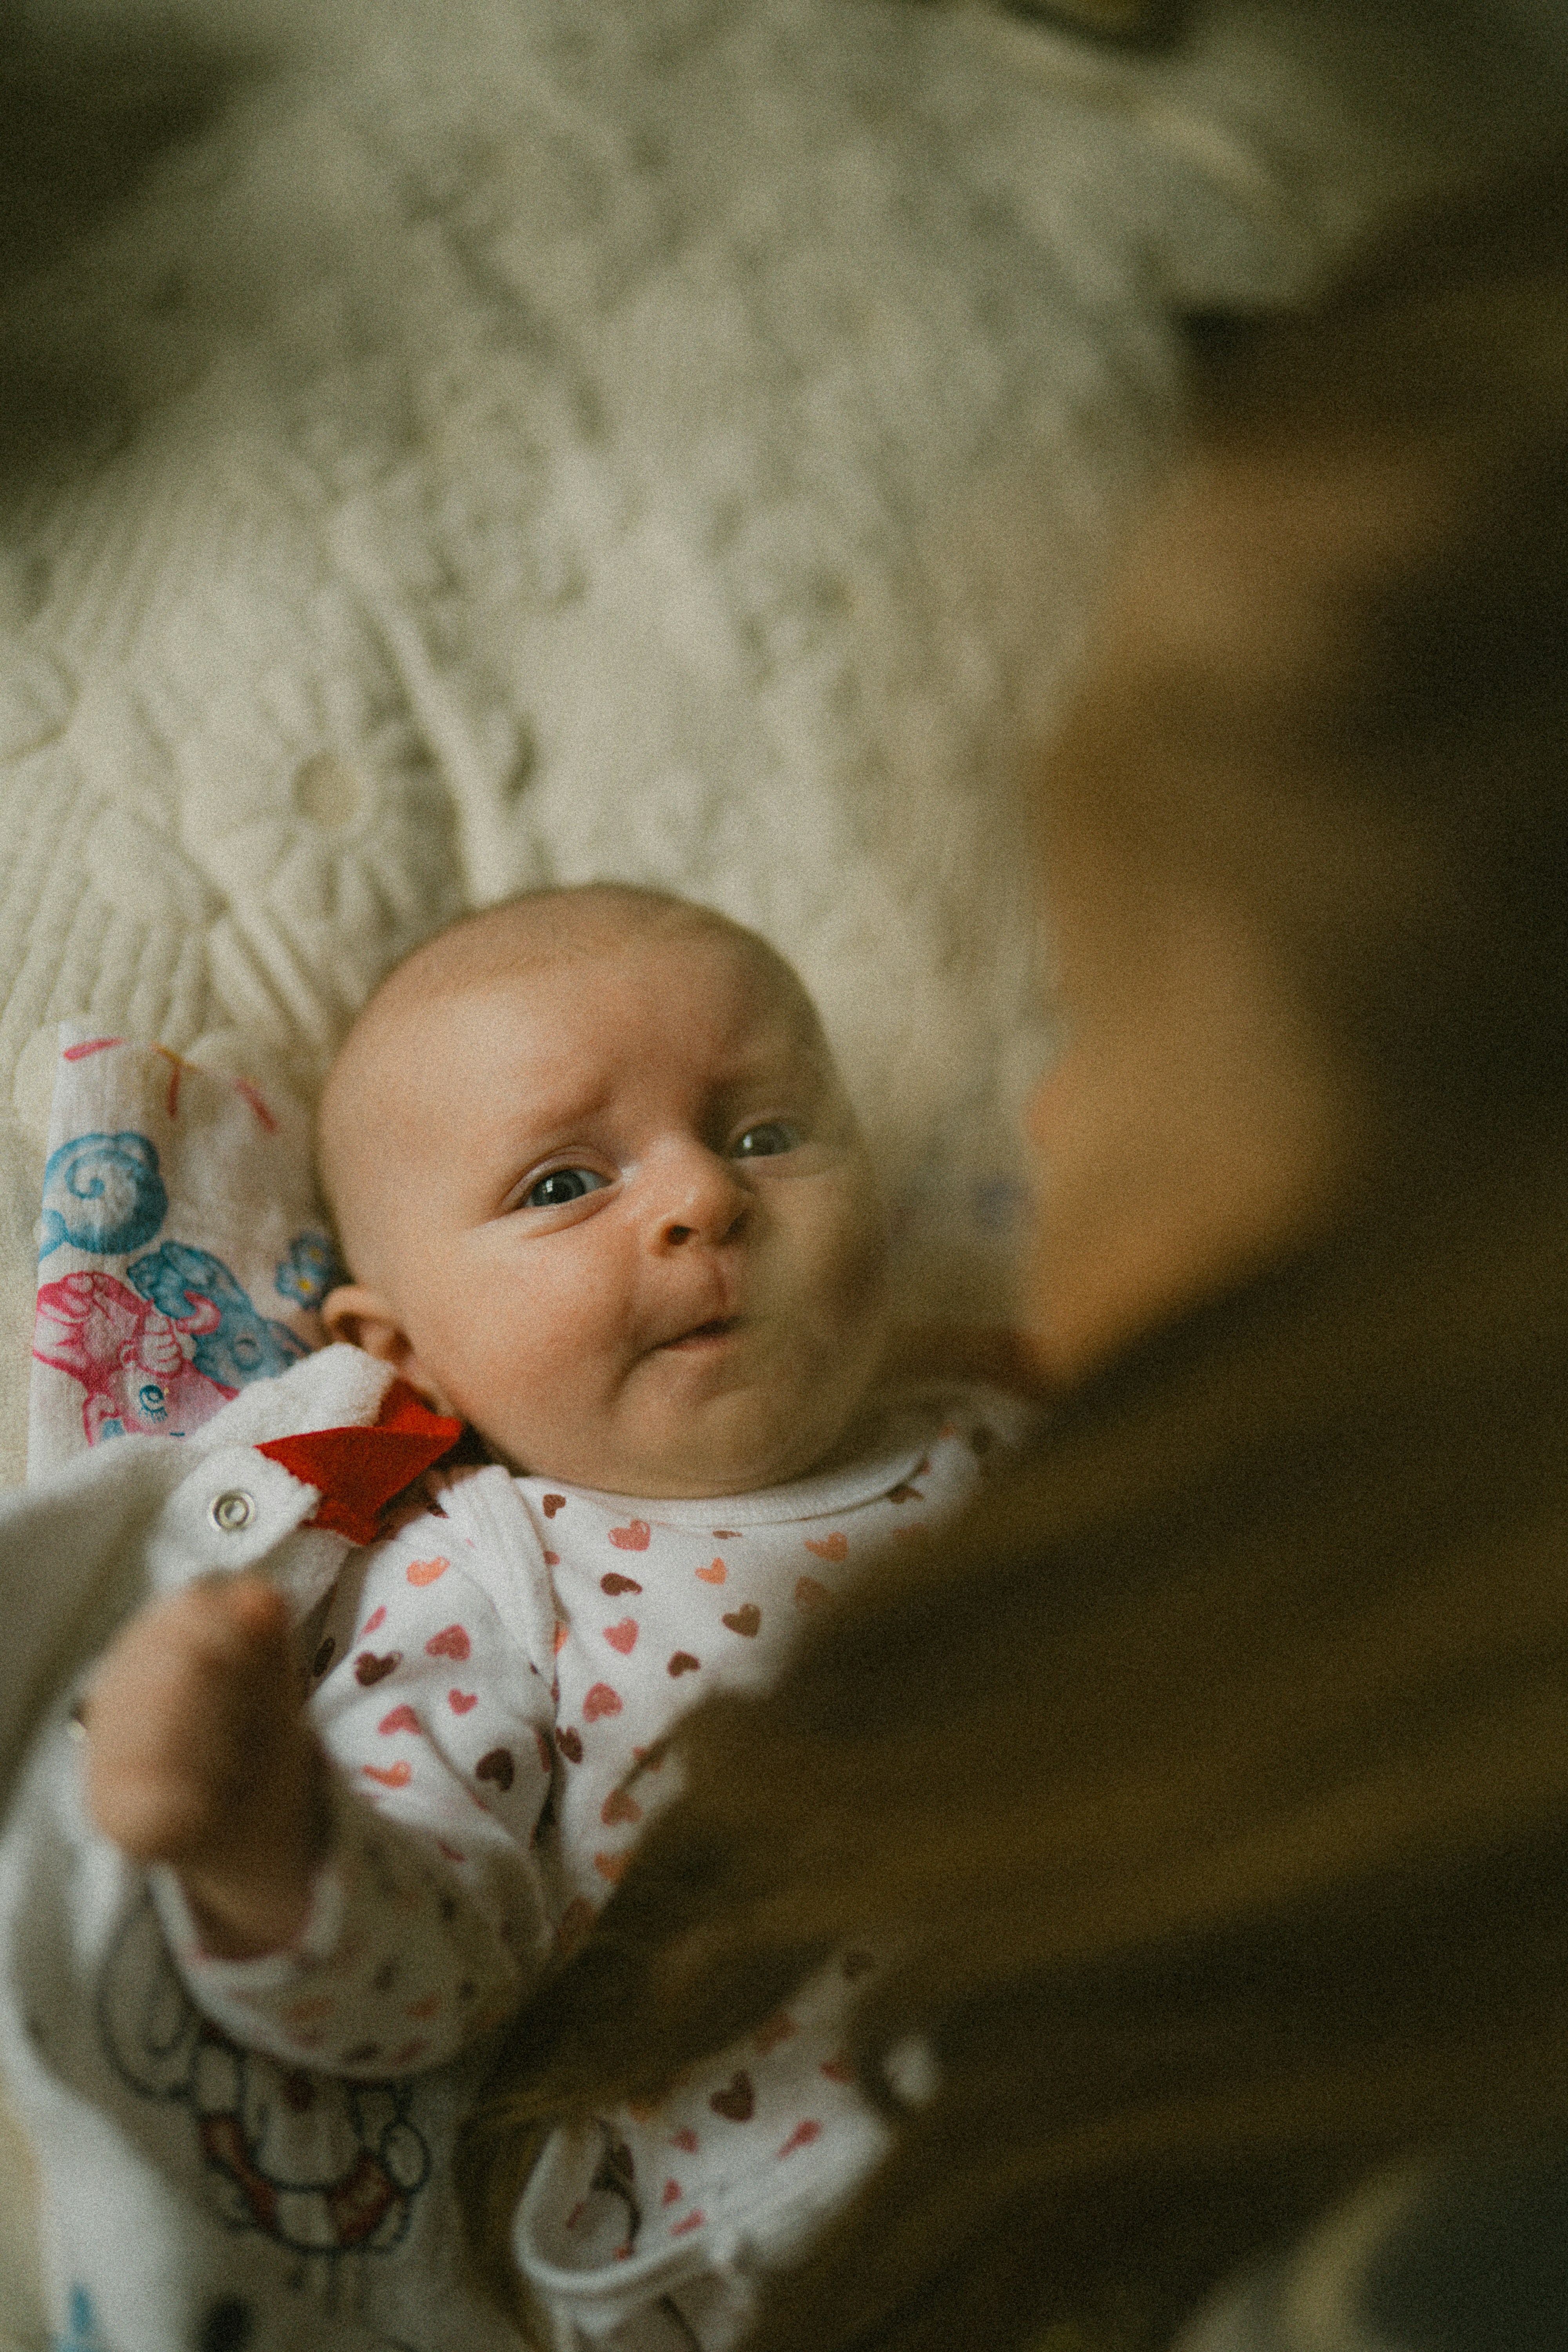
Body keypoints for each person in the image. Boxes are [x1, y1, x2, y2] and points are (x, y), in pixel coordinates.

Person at [453, 160, 1568, 2351]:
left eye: (1106, 1003)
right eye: (559, 1187)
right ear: (376, 1317)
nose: (705, 1201)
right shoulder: (456, 1568)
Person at [74, 884, 1031, 2350]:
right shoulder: (492, 1573)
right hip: (794, 2228)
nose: (703, 1198)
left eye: (764, 1133)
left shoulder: (997, 1440)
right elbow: (424, 1969)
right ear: (407, 1356)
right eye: (560, 1185)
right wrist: (259, 1838)